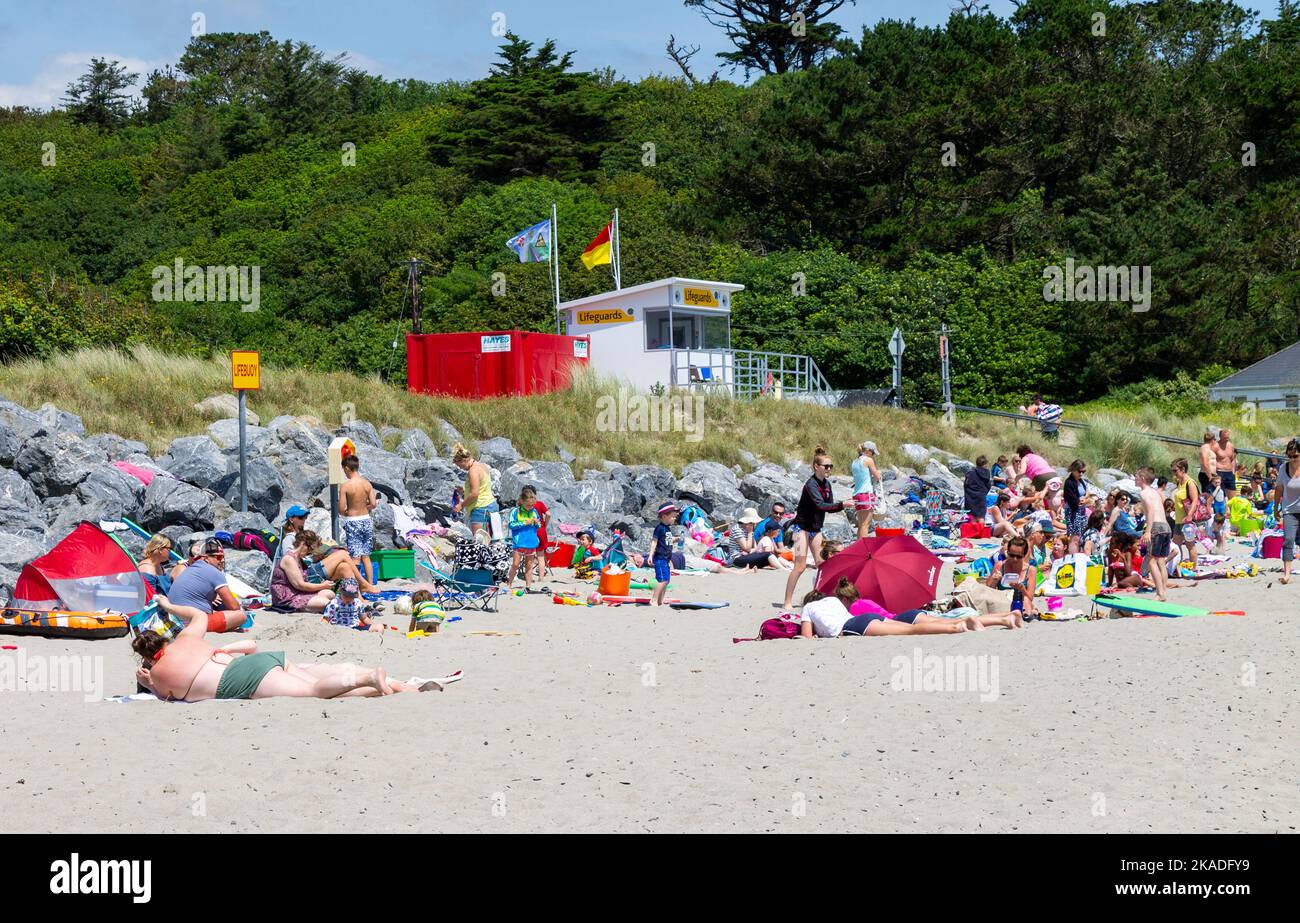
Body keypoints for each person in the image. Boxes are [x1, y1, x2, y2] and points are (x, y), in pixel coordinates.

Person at [131, 610, 444, 701]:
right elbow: (198, 615)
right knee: (329, 689)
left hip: (240, 679)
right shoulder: (185, 638)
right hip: (254, 661)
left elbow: (169, 698)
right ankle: (406, 688)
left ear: (148, 659)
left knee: (313, 692)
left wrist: (149, 683)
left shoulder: (159, 676)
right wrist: (167, 604)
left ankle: (367, 677)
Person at [797, 578, 1019, 638]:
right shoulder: (833, 601)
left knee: (911, 631)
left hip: (855, 626)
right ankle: (1005, 619)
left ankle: (960, 628)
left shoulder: (808, 609)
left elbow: (807, 637)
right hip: (872, 618)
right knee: (941, 620)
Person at [781, 444, 847, 610]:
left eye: (831, 466)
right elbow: (820, 505)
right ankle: (787, 601)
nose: (829, 469)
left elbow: (829, 504)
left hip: (815, 529)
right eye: (826, 466)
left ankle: (821, 595)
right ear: (816, 467)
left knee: (822, 564)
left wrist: (841, 505)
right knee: (800, 566)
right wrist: (842, 505)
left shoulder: (827, 485)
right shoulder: (811, 484)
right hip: (800, 529)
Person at [166, 538, 248, 632]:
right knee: (241, 615)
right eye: (218, 557)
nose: (221, 561)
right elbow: (234, 607)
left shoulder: (190, 568)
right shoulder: (214, 572)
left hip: (173, 619)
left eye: (222, 557)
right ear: (206, 558)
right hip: (191, 622)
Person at [270, 530, 336, 612]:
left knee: (330, 594)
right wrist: (322, 586)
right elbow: (299, 585)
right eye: (310, 549)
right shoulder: (289, 559)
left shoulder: (299, 559)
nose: (310, 552)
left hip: (298, 593)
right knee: (327, 603)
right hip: (286, 599)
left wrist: (323, 586)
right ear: (303, 543)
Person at [338, 455, 378, 584]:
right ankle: (370, 584)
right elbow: (373, 503)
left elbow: (341, 508)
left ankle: (356, 586)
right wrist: (363, 506)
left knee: (355, 557)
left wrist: (348, 511)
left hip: (353, 521)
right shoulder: (367, 484)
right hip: (366, 520)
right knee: (366, 556)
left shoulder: (346, 486)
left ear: (346, 468)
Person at [452, 443, 498, 542]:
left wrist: (461, 505)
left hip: (480, 509)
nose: (460, 468)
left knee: (480, 544)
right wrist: (464, 492)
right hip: (491, 505)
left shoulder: (473, 471)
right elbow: (482, 488)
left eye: (459, 465)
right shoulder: (482, 466)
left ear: (464, 460)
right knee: (491, 542)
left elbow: (474, 494)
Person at [1136, 466, 1170, 601]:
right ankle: (1163, 590)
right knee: (1160, 561)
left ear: (1142, 479)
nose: (1135, 478)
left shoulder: (1144, 493)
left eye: (1137, 476)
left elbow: (1150, 511)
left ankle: (1160, 593)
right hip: (1165, 526)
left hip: (1156, 526)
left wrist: (1148, 531)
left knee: (1150, 561)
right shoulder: (1155, 492)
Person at [986, 535, 1039, 619]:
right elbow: (988, 591)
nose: (1014, 559)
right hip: (1001, 602)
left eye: (1018, 556)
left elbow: (1029, 598)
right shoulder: (1000, 565)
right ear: (1007, 552)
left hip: (1019, 603)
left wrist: (1022, 589)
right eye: (1012, 555)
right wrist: (995, 580)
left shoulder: (1031, 570)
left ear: (1024, 555)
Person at [1273, 438, 1300, 585]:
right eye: (1289, 456)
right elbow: (1279, 489)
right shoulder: (1283, 468)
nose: (1292, 459)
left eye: (1295, 456)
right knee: (1288, 540)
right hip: (1289, 510)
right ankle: (1287, 574)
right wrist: (1276, 507)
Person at [506, 487, 542, 590]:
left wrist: (536, 523)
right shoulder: (515, 511)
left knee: (529, 565)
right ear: (521, 501)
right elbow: (511, 525)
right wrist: (524, 523)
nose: (530, 507)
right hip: (519, 542)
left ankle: (528, 586)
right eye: (528, 505)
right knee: (515, 564)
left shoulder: (534, 511)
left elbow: (538, 526)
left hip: (531, 542)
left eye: (532, 505)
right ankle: (509, 584)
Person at [1171, 458, 1203, 572]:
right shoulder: (1180, 482)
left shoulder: (1190, 483)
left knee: (1190, 545)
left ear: (1183, 469)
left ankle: (1194, 568)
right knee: (1176, 545)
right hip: (1179, 520)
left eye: (1175, 470)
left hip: (1188, 520)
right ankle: (1177, 567)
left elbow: (1195, 500)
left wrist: (1189, 515)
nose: (1173, 473)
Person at [648, 503, 678, 606]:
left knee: (667, 580)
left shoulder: (667, 529)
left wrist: (675, 539)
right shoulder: (659, 528)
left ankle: (660, 600)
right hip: (660, 558)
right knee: (662, 580)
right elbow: (654, 541)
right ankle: (654, 600)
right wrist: (650, 555)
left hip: (666, 559)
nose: (674, 519)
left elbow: (667, 542)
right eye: (672, 516)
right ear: (664, 516)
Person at [851, 440, 881, 539]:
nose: (873, 455)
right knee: (865, 525)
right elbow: (877, 476)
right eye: (873, 453)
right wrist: (879, 474)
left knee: (861, 525)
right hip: (866, 494)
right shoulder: (868, 460)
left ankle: (859, 547)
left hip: (857, 494)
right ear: (868, 451)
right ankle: (864, 549)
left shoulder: (855, 462)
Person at [1063, 459, 1088, 553]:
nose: (1081, 474)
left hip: (1081, 512)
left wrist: (1084, 499)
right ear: (1073, 470)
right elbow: (1074, 501)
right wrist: (1085, 500)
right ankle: (1072, 556)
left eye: (1083, 472)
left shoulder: (1080, 481)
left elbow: (1086, 493)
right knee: (1074, 537)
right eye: (1079, 471)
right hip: (1073, 512)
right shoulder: (1069, 482)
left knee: (1080, 536)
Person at [963, 455, 992, 528]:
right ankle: (980, 532)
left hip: (971, 496)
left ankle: (974, 532)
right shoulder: (987, 473)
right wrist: (984, 493)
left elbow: (966, 485)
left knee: (973, 515)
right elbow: (989, 485)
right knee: (981, 516)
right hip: (981, 496)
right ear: (985, 464)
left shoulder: (970, 473)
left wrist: (968, 493)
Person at [1214, 429, 1238, 500]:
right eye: (1225, 437)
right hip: (1219, 471)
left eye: (1227, 437)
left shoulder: (1231, 446)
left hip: (1229, 473)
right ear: (1220, 436)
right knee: (1220, 497)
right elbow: (1211, 459)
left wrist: (1233, 471)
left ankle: (1232, 510)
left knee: (1233, 496)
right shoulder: (1215, 446)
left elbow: (1233, 458)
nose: (1226, 439)